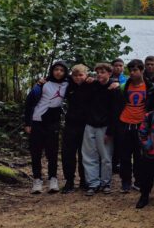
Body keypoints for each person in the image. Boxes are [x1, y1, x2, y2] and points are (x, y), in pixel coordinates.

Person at [24, 60, 69, 194]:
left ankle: (53, 179)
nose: (58, 72)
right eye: (56, 69)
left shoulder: (67, 83)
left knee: (52, 152)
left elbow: (81, 80)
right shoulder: (43, 83)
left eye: (61, 70)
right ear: (52, 70)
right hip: (37, 120)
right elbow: (29, 103)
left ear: (65, 72)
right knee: (36, 152)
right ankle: (37, 180)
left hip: (53, 122)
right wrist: (27, 123)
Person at [115, 59, 154, 193]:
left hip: (141, 124)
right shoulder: (124, 86)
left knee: (140, 155)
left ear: (142, 70)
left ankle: (138, 180)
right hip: (125, 123)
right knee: (125, 155)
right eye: (130, 71)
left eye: (135, 70)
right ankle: (125, 181)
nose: (132, 73)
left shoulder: (151, 87)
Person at [82, 63, 118, 196]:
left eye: (103, 72)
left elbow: (115, 112)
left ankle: (105, 183)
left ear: (109, 73)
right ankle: (93, 183)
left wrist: (111, 131)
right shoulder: (92, 86)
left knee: (106, 157)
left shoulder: (113, 88)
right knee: (89, 156)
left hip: (105, 126)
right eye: (98, 73)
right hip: (90, 125)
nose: (100, 75)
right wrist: (88, 80)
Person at [60, 64, 90, 193]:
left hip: (86, 125)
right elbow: (59, 77)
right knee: (68, 154)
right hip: (71, 124)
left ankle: (84, 180)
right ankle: (69, 181)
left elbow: (105, 82)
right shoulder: (69, 85)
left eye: (81, 75)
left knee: (85, 154)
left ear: (86, 75)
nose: (78, 78)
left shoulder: (91, 85)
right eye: (75, 75)